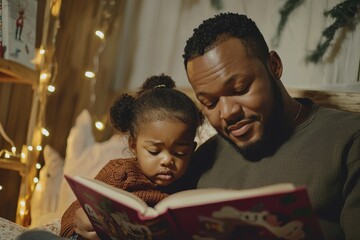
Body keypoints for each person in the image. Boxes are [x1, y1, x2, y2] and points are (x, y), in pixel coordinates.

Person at [181, 12, 360, 240]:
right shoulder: (203, 158)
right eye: (210, 102)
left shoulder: (350, 139)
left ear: (274, 66)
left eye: (240, 89)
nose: (227, 113)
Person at [55, 74, 201, 239]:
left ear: (192, 149)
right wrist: (79, 222)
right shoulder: (120, 173)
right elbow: (72, 214)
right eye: (154, 151)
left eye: (180, 153)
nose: (167, 160)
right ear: (133, 146)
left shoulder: (192, 182)